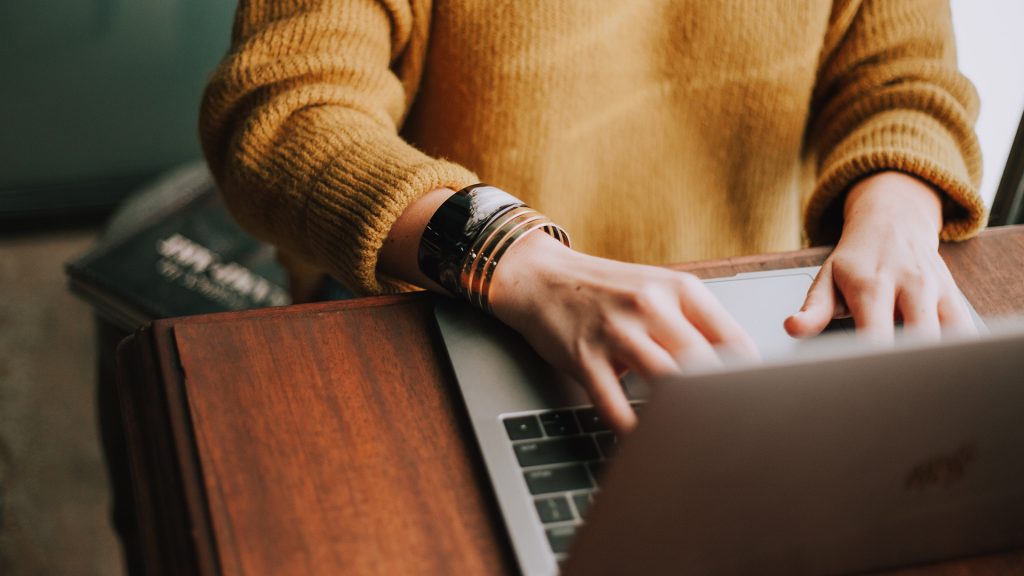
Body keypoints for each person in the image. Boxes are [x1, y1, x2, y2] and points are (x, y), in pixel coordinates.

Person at [200, 0, 985, 433]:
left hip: (746, 334)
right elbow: (284, 111)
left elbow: (904, 75)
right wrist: (516, 258)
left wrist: (897, 210)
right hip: (449, 310)